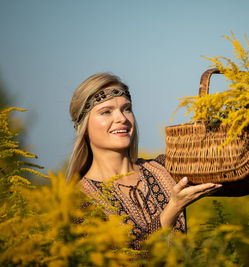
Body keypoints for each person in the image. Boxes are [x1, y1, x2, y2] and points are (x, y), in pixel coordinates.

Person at [66, 73, 221, 250]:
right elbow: (124, 261)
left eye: (127, 109)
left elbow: (226, 170)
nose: (122, 118)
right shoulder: (78, 201)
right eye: (106, 111)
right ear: (83, 126)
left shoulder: (165, 168)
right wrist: (173, 208)